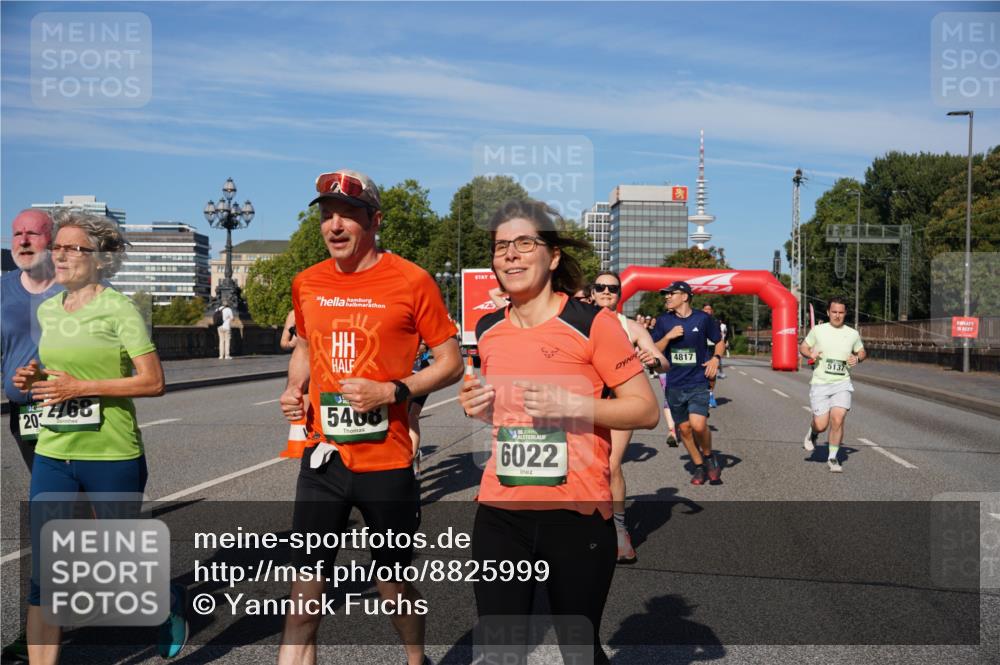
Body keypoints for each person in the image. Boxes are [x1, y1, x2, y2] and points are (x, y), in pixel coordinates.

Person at [459, 199, 659, 664]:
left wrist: (575, 405)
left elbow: (645, 410)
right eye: (500, 246)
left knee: (577, 649)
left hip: (576, 512)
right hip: (501, 508)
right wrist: (479, 407)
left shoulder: (592, 323)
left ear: (551, 257)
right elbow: (507, 411)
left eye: (523, 243)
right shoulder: (487, 329)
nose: (509, 254)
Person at [277, 169, 463, 665]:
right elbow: (304, 345)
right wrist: (294, 387)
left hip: (387, 464)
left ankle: (415, 657)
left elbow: (451, 361)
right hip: (323, 460)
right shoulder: (307, 282)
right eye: (326, 215)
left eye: (349, 216)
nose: (335, 225)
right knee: (301, 607)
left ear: (374, 221)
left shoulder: (411, 280)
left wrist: (392, 390)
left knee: (394, 589)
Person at [12, 211, 186, 662]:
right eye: (59, 248)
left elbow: (153, 382)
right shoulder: (49, 308)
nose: (61, 255)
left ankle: (165, 607)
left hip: (111, 452)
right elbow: (59, 371)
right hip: (54, 450)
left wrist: (81, 387)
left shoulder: (119, 308)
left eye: (73, 248)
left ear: (102, 259)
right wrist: (33, 377)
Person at [0, 209, 62, 661]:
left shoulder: (76, 285)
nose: (24, 241)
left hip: (75, 418)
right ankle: (36, 633)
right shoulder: (1, 289)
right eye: (17, 233)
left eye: (33, 234)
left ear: (52, 239)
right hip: (26, 421)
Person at [589, 271, 668, 564]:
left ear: (620, 294)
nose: (607, 291)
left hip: (617, 405)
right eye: (601, 287)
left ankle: (620, 532)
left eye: (613, 288)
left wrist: (654, 360)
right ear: (592, 292)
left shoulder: (630, 327)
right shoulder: (576, 321)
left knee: (609, 465)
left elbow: (662, 361)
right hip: (581, 404)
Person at [651, 282, 724, 485]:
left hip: (698, 381)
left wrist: (716, 358)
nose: (666, 297)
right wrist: (668, 337)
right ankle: (699, 465)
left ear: (684, 296)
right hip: (674, 383)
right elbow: (654, 348)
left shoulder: (702, 319)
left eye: (670, 294)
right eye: (665, 294)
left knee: (698, 425)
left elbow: (719, 340)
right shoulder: (663, 322)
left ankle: (709, 457)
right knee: (684, 430)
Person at [800, 297, 866, 473]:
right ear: (828, 312)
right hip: (820, 383)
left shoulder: (852, 333)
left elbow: (862, 350)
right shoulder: (818, 330)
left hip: (842, 383)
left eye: (841, 312)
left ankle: (833, 458)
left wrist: (857, 358)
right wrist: (810, 353)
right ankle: (813, 433)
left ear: (845, 313)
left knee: (838, 418)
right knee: (821, 425)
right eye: (834, 312)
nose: (837, 315)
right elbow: (803, 347)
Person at [408, 341, 432, 479]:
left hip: (421, 374)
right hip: (401, 374)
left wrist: (419, 348)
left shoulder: (421, 322)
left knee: (412, 416)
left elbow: (426, 344)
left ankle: (411, 459)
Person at [700, 304, 725, 407]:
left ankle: (710, 393)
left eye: (709, 309)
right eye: (705, 309)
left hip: (712, 348)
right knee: (700, 371)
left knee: (711, 373)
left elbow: (719, 337)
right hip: (700, 348)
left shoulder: (715, 322)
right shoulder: (698, 320)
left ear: (712, 311)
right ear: (702, 310)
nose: (707, 311)